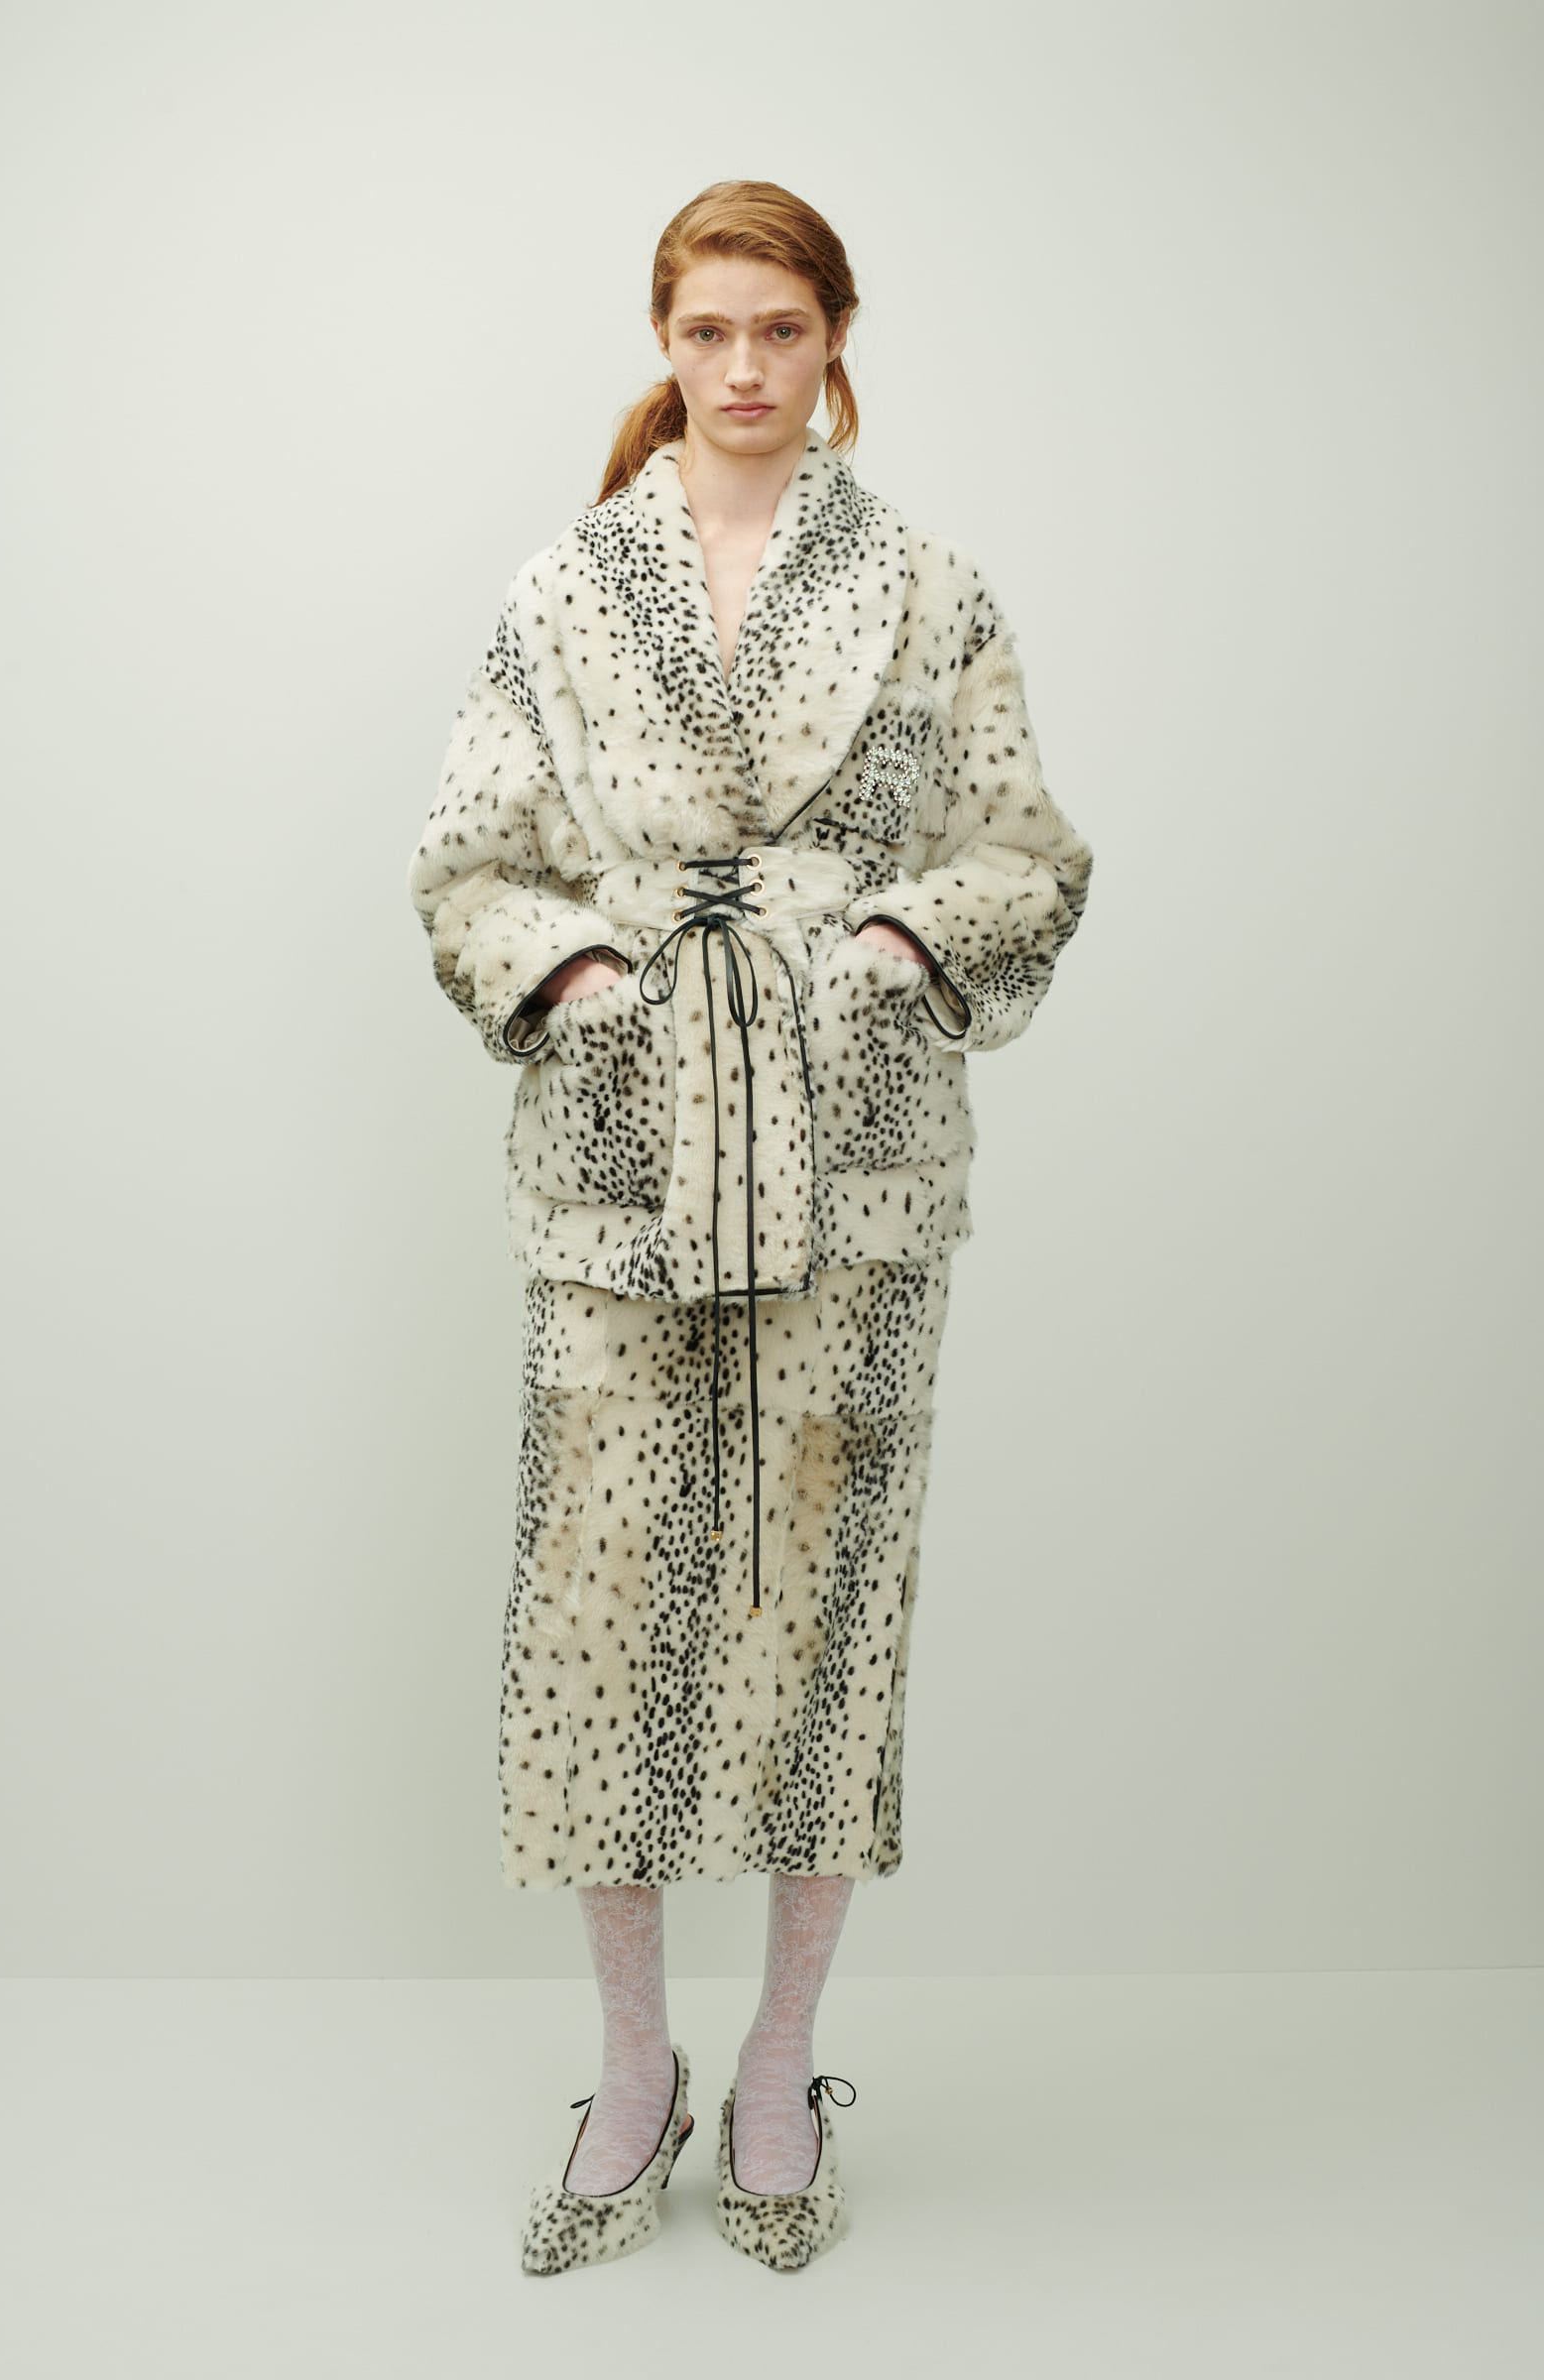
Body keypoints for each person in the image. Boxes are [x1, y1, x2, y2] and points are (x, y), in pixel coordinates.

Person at [406, 179, 1094, 2275]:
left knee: (829, 1607)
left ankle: (781, 2068)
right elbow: (464, 866)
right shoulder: (561, 592)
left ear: (833, 340)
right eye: (706, 328)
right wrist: (581, 984)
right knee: (595, 1622)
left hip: (852, 1163)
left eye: (778, 328)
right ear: (663, 337)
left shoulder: (929, 590)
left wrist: (892, 941)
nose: (740, 368)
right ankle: (635, 2073)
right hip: (619, 1165)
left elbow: (1027, 851)